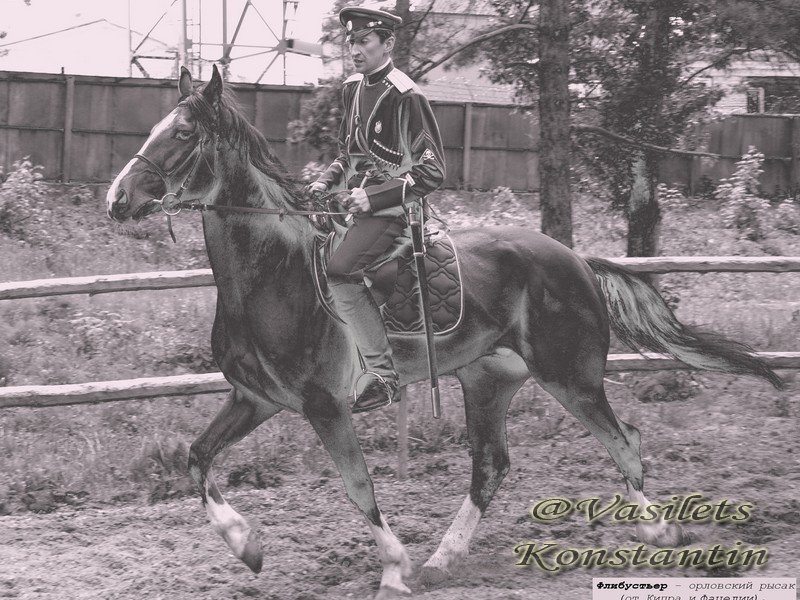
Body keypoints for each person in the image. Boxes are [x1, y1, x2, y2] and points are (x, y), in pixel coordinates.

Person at [306, 6, 446, 413]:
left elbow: (433, 170)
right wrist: (324, 182)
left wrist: (377, 198)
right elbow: (347, 155)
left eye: (364, 41)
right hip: (353, 206)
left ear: (388, 44)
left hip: (395, 214)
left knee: (339, 272)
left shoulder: (407, 95)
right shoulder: (351, 87)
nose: (355, 49)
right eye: (351, 41)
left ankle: (384, 376)